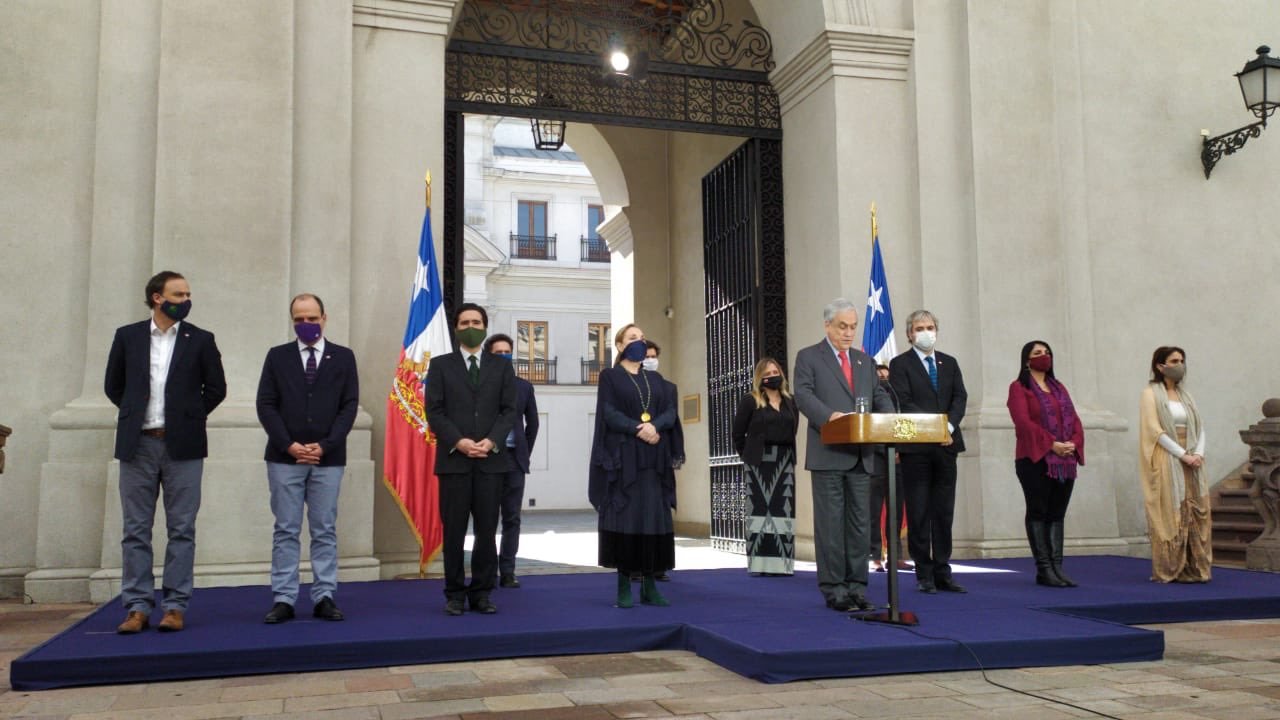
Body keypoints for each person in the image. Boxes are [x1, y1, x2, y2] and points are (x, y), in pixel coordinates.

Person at [104, 271, 226, 634]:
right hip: (138, 444)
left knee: (182, 528)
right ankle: (137, 606)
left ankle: (175, 605)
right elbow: (114, 385)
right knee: (135, 529)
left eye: (188, 294)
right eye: (178, 294)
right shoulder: (128, 336)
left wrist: (188, 416)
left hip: (183, 446)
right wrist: (134, 413)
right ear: (158, 298)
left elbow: (216, 388)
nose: (186, 300)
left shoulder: (200, 339)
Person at [255, 293, 359, 624]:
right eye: (299, 319)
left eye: (312, 318)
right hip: (285, 458)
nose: (306, 324)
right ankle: (284, 598)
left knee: (324, 529)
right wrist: (289, 445)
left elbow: (349, 406)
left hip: (328, 458)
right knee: (286, 529)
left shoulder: (343, 357)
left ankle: (324, 595)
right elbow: (266, 404)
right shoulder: (278, 356)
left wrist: (325, 445)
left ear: (324, 319)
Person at [793, 298, 894, 612]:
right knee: (831, 526)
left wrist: (891, 419)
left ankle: (857, 587)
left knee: (860, 526)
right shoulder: (809, 357)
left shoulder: (864, 361)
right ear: (827, 325)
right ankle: (835, 589)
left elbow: (879, 396)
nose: (849, 333)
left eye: (853, 327)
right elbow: (803, 395)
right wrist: (830, 417)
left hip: (862, 455)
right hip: (828, 453)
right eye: (842, 326)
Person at [424, 303, 517, 615]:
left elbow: (509, 410)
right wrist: (459, 441)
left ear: (485, 327)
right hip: (454, 462)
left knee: (487, 532)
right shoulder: (440, 365)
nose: (470, 327)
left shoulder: (501, 366)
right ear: (456, 328)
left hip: (490, 462)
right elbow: (434, 411)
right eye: (464, 323)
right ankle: (454, 593)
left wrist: (491, 441)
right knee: (453, 532)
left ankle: (481, 593)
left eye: (476, 322)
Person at [589, 323, 677, 608]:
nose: (639, 341)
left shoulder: (656, 379)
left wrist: (655, 426)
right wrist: (638, 428)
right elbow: (609, 412)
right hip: (625, 460)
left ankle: (650, 586)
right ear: (619, 345)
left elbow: (670, 411)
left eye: (642, 337)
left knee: (652, 520)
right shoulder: (611, 376)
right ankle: (624, 586)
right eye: (632, 338)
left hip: (654, 460)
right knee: (626, 520)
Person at [889, 310, 968, 594]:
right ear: (910, 334)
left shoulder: (950, 362)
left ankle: (943, 571)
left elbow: (959, 397)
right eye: (920, 328)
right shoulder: (900, 364)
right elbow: (903, 401)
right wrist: (935, 428)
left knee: (943, 512)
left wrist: (948, 427)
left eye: (930, 327)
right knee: (919, 512)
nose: (926, 332)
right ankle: (924, 573)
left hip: (947, 446)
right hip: (917, 449)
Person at [1007, 340, 1084, 588]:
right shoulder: (1019, 387)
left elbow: (1074, 419)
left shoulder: (1059, 387)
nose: (1044, 356)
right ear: (1027, 360)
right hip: (1034, 459)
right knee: (1038, 510)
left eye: (1047, 352)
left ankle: (1057, 567)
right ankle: (1044, 568)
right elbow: (1023, 422)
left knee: (1057, 513)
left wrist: (1073, 443)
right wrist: (1052, 444)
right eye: (1038, 353)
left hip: (1064, 460)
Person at [1138, 346, 1211, 583]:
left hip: (1192, 458)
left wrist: (1198, 453)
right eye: (1174, 361)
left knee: (1195, 509)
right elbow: (1154, 430)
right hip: (1168, 457)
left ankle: (1194, 567)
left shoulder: (1186, 395)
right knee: (1172, 510)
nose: (1180, 365)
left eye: (1182, 360)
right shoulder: (1150, 394)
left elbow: (1198, 426)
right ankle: (1171, 567)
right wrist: (1182, 455)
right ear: (1160, 366)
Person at [731, 357, 799, 576]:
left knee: (783, 512)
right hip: (758, 463)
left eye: (775, 372)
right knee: (760, 513)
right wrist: (748, 457)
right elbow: (737, 433)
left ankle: (782, 565)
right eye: (767, 374)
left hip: (784, 462)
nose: (772, 377)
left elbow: (793, 429)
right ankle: (760, 565)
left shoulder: (790, 401)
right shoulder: (750, 400)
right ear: (760, 377)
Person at [483, 333, 539, 589]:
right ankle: (486, 570)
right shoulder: (480, 385)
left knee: (512, 518)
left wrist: (523, 452)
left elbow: (533, 424)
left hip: (514, 461)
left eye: (508, 352)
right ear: (489, 355)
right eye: (499, 352)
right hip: (487, 459)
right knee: (486, 518)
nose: (504, 356)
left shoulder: (524, 387)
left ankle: (507, 571)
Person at [644, 339, 681, 582]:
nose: (650, 360)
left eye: (653, 356)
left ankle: (659, 566)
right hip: (634, 454)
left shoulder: (668, 388)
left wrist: (654, 427)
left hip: (660, 454)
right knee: (637, 513)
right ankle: (635, 566)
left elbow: (671, 414)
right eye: (646, 356)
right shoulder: (626, 386)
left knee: (660, 511)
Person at [868, 363, 908, 572]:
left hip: (897, 459)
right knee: (873, 511)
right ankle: (875, 556)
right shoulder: (868, 397)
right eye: (880, 376)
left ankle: (896, 555)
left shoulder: (897, 398)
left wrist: (899, 450)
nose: (884, 379)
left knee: (896, 510)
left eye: (887, 376)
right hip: (876, 458)